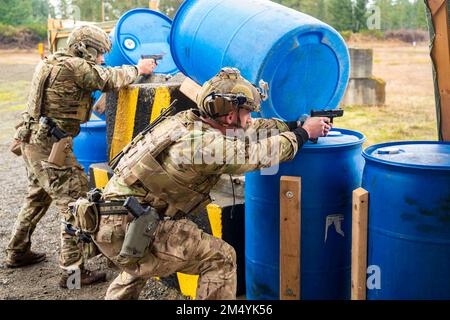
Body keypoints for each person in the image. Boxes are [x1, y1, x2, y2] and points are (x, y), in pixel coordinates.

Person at [79, 67, 331, 299]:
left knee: (141, 257)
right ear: (230, 115)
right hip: (127, 226)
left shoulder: (187, 121)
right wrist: (303, 134)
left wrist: (290, 125)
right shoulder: (202, 145)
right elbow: (256, 155)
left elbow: (249, 130)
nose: (251, 118)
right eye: (248, 112)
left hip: (118, 221)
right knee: (221, 259)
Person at [5, 24, 157, 288]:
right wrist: (138, 69)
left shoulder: (52, 62)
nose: (101, 59)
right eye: (98, 53)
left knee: (37, 197)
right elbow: (107, 78)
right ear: (84, 49)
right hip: (50, 147)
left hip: (32, 141)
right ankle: (72, 274)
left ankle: (17, 252)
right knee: (75, 205)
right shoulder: (75, 68)